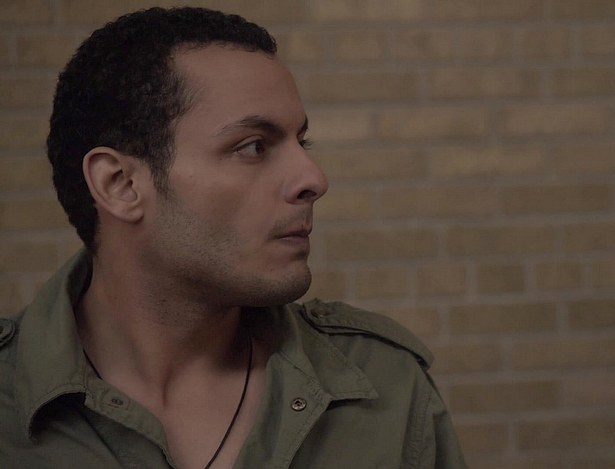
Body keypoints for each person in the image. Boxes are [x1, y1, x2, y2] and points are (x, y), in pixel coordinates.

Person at [0, 7, 467, 469]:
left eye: (301, 142)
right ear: (120, 185)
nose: (313, 179)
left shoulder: (385, 388)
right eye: (253, 147)